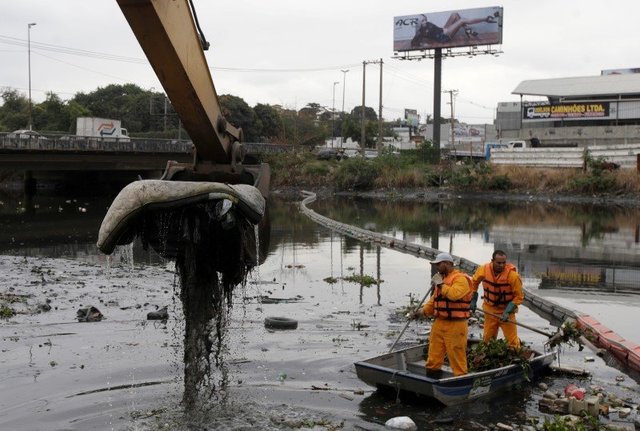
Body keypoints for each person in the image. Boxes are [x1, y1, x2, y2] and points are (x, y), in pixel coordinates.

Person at [411, 252, 473, 376]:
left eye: (439, 264)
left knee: (456, 355)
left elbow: (454, 295)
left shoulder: (460, 279)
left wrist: (440, 284)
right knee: (434, 355)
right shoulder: (442, 280)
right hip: (439, 323)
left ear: (448, 263)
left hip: (456, 324)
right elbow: (434, 301)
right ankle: (432, 378)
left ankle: (459, 381)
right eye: (436, 265)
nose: (437, 267)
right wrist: (421, 312)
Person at [471, 250, 524, 349]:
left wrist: (508, 311)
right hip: (490, 309)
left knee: (512, 342)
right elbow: (474, 283)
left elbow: (519, 296)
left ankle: (515, 354)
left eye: (504, 262)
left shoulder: (513, 276)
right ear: (492, 261)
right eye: (498, 263)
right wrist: (473, 300)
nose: (501, 265)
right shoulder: (483, 270)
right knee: (487, 340)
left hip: (506, 311)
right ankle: (487, 355)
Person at [411, 11, 498, 48]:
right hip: (444, 37)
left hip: (443, 30)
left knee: (455, 14)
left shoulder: (427, 24)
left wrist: (443, 29)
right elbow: (413, 43)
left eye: (425, 19)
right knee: (462, 20)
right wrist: (423, 44)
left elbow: (435, 29)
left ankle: (467, 30)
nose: (425, 21)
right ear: (418, 23)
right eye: (422, 21)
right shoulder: (420, 32)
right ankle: (486, 18)